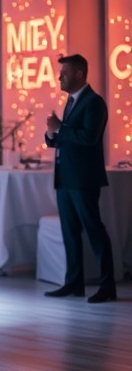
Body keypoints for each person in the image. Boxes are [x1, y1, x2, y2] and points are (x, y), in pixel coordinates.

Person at [44, 53, 116, 303]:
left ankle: (108, 286)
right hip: (65, 177)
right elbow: (68, 137)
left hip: (83, 179)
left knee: (94, 231)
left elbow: (89, 138)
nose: (59, 77)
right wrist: (52, 133)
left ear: (79, 74)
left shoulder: (94, 103)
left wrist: (60, 128)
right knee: (70, 232)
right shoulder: (73, 101)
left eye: (63, 73)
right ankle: (74, 282)